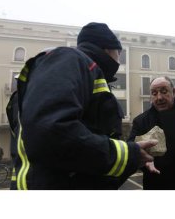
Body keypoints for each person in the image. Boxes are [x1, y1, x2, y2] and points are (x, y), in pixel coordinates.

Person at [12, 22, 156, 190]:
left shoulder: (86, 70)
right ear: (109, 49)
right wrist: (128, 154)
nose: (119, 60)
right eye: (120, 53)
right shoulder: (69, 59)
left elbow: (90, 153)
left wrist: (133, 159)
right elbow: (51, 132)